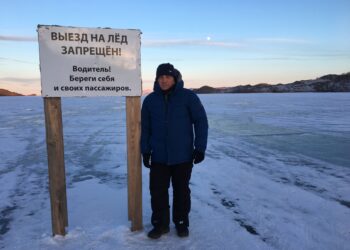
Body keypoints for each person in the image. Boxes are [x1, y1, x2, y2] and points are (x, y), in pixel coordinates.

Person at [141, 63, 208, 239]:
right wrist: (145, 150)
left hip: (183, 155)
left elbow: (201, 121)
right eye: (160, 77)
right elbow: (146, 128)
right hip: (159, 157)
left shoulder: (188, 97)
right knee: (157, 192)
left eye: (167, 77)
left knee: (181, 191)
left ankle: (180, 223)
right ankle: (160, 224)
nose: (164, 80)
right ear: (157, 79)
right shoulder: (150, 100)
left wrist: (200, 148)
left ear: (174, 78)